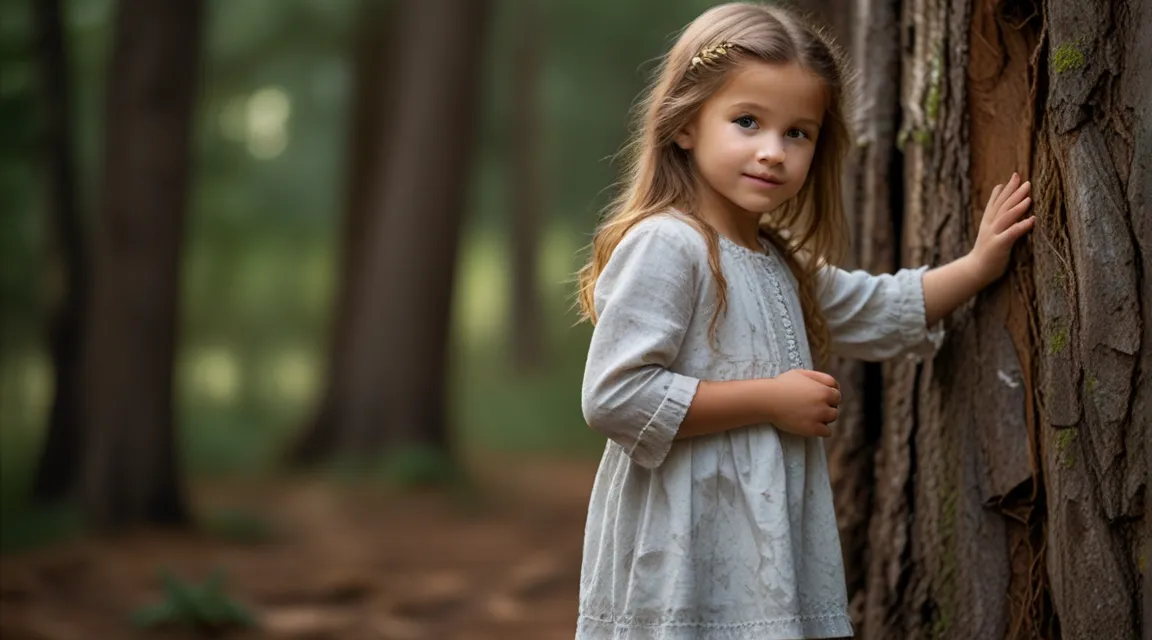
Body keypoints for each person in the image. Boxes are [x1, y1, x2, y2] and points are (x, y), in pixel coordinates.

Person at [573, 2, 1035, 638]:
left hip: (764, 555)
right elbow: (614, 396)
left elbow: (878, 306)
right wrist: (770, 399)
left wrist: (979, 266)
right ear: (685, 125)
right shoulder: (668, 245)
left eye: (798, 133)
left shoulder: (778, 263)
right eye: (747, 122)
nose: (772, 151)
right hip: (682, 552)